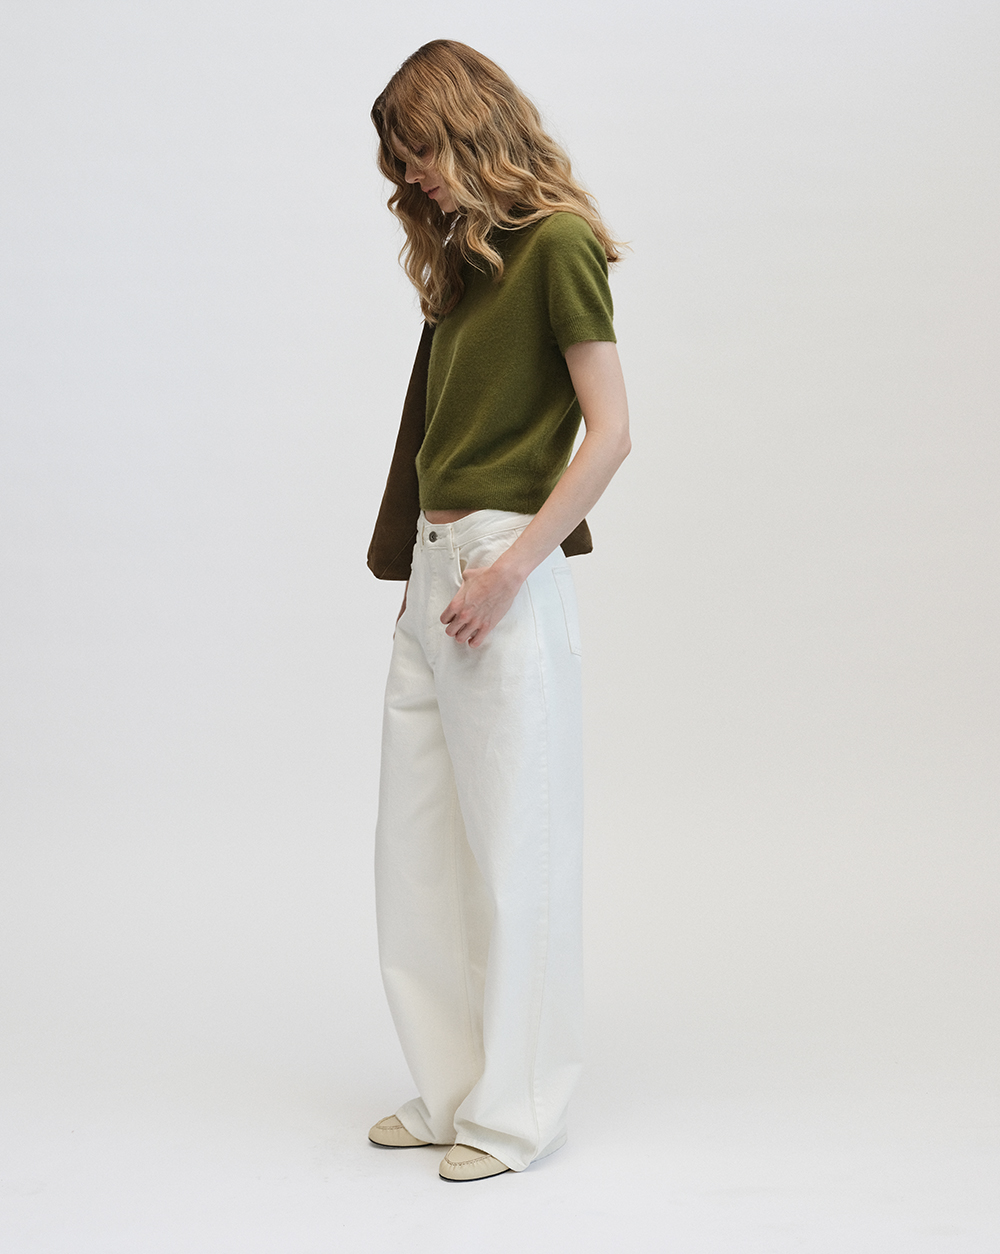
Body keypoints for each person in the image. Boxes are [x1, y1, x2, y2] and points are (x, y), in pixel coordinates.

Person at [365, 40, 630, 1182]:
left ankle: (516, 1114)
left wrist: (514, 567)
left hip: (496, 570)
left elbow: (611, 432)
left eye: (419, 151)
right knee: (419, 855)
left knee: (519, 848)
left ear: (467, 126)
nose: (413, 178)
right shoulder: (467, 261)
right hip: (435, 575)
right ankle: (449, 1089)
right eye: (401, 163)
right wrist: (422, 579)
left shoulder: (559, 243)